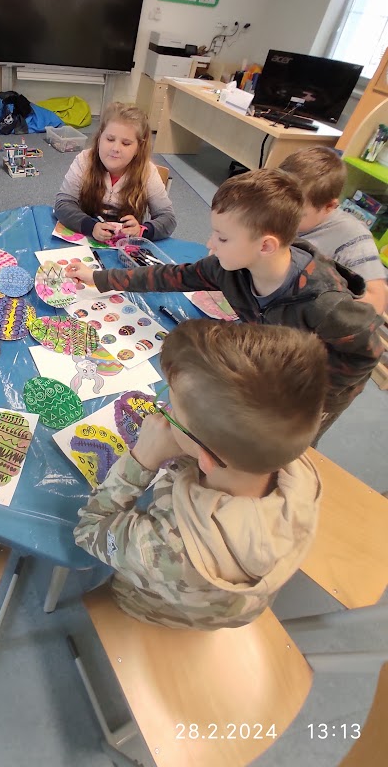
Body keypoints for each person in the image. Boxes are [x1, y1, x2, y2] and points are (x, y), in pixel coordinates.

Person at [66, 168, 383, 440]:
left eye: (223, 238)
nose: (210, 244)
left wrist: (307, 396)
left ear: (265, 246)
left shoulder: (325, 303)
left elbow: (366, 353)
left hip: (314, 391)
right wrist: (99, 278)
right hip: (272, 357)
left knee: (282, 449)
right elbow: (170, 276)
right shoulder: (228, 268)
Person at [74, 320, 327, 629]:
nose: (163, 411)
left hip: (155, 606)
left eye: (171, 411)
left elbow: (89, 530)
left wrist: (142, 459)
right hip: (235, 597)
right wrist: (189, 438)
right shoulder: (299, 470)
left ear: (206, 458)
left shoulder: (165, 549)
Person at [280, 146, 387, 315]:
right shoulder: (277, 210)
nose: (281, 216)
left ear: (329, 206)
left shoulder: (353, 238)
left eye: (297, 213)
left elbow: (376, 305)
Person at [54, 102, 177, 243]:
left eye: (126, 143)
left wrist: (142, 230)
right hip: (85, 241)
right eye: (110, 139)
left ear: (139, 147)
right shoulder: (84, 161)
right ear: (100, 137)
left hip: (126, 247)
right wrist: (90, 226)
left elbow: (168, 219)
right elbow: (63, 203)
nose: (115, 148)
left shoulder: (147, 172)